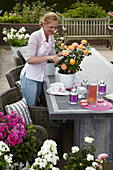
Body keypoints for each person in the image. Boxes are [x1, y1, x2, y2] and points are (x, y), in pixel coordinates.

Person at [20, 12, 62, 106]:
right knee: (30, 106)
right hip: (30, 77)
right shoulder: (35, 36)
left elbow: (52, 55)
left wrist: (60, 54)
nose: (54, 30)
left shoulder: (51, 37)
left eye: (55, 27)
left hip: (40, 76)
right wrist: (49, 57)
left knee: (35, 104)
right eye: (51, 27)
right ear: (44, 24)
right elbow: (30, 59)